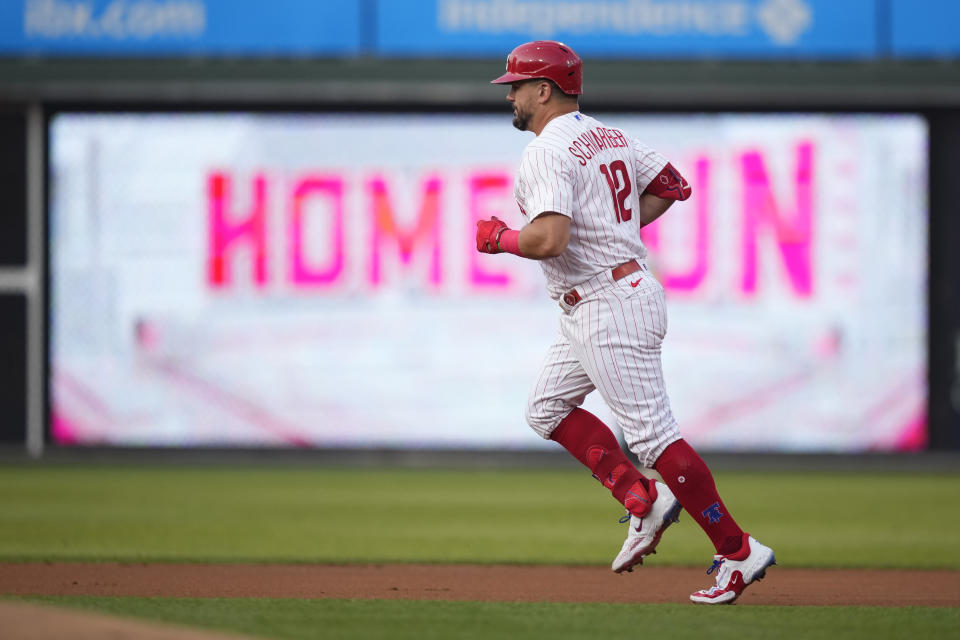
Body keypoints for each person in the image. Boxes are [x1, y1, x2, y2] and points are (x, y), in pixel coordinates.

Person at [477, 40, 776, 605]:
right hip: (602, 296)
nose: (510, 94)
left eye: (515, 85)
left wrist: (500, 239)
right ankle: (643, 497)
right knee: (545, 408)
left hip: (606, 304)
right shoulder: (607, 135)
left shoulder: (545, 151)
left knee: (654, 436)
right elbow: (672, 185)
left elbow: (549, 239)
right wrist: (613, 230)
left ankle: (737, 551)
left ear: (544, 90)